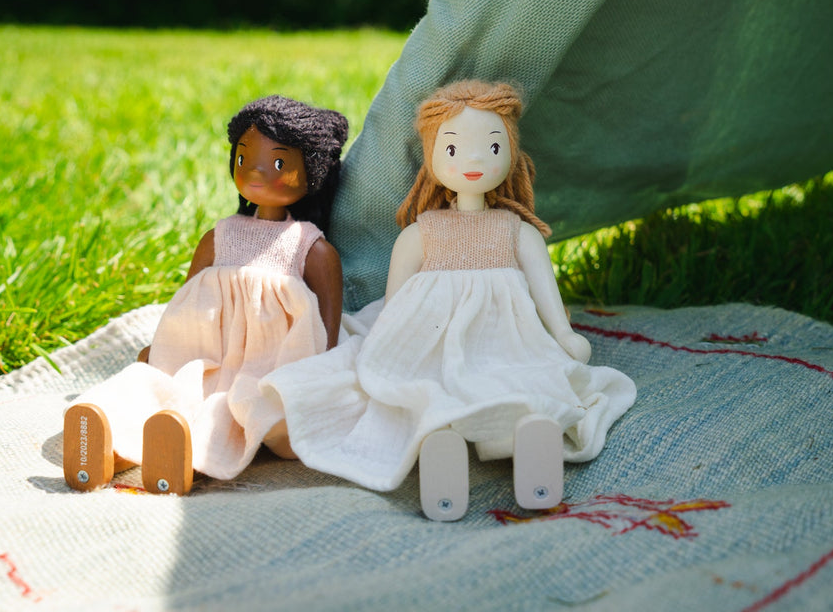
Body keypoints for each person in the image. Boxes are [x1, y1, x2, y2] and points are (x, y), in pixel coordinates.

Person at [260, 80, 636, 519]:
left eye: (491, 148)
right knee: (433, 385)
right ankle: (445, 444)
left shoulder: (517, 231)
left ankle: (526, 442)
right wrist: (382, 339)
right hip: (431, 340)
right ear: (432, 158)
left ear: (511, 154)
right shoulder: (421, 233)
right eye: (454, 149)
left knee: (521, 380)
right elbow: (395, 301)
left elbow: (544, 290)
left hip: (508, 339)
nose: (474, 161)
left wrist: (563, 333)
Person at [63, 95, 347, 494]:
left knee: (237, 411)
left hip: (270, 365)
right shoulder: (220, 236)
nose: (255, 171)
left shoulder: (308, 246)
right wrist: (163, 346)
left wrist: (323, 368)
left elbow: (328, 321)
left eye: (278, 164)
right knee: (175, 387)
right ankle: (104, 445)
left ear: (311, 175)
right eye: (244, 158)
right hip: (209, 354)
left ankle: (179, 456)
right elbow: (187, 300)